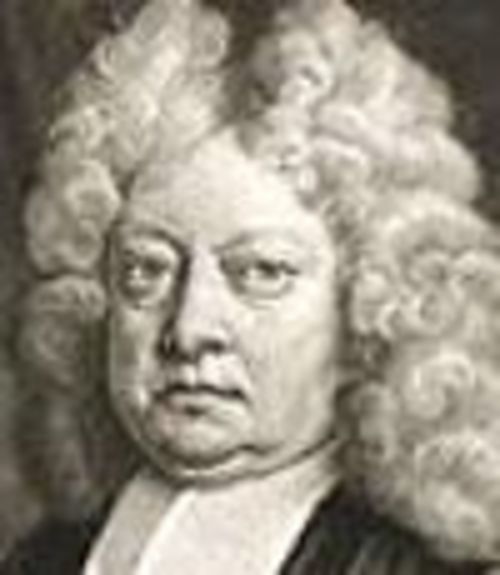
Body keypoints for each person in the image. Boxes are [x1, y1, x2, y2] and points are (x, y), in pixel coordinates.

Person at [4, 0, 500, 573]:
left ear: (366, 311)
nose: (188, 331)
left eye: (262, 273)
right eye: (145, 271)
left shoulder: (408, 567)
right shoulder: (49, 557)